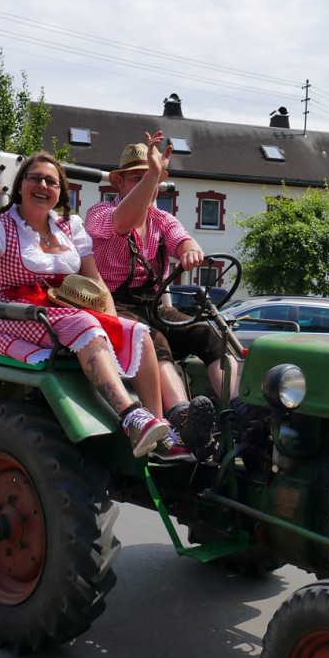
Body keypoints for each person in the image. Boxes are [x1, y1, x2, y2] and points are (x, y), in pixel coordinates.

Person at [0, 152, 171, 459]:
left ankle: (159, 428)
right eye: (35, 178)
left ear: (60, 192)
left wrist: (113, 324)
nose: (43, 185)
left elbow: (96, 284)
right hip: (17, 316)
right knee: (85, 324)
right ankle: (131, 415)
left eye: (51, 181)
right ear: (21, 186)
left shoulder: (70, 227)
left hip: (62, 312)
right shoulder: (0, 226)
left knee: (139, 332)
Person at [85, 131, 238, 458]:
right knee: (155, 342)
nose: (144, 186)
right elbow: (122, 222)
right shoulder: (100, 214)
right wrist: (154, 175)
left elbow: (183, 239)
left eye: (149, 179)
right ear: (120, 184)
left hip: (152, 304)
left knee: (209, 335)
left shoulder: (162, 219)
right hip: (112, 305)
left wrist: (191, 251)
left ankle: (237, 413)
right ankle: (183, 420)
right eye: (136, 179)